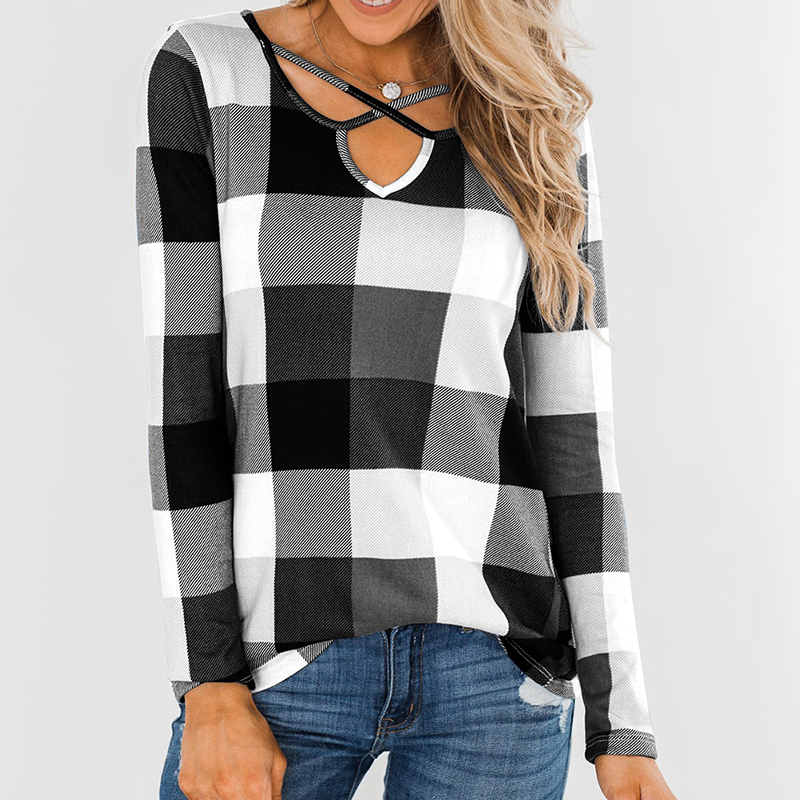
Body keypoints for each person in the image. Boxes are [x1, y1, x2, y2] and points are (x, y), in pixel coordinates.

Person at [135, 2, 678, 798]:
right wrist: (208, 680)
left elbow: (572, 432)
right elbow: (181, 402)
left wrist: (620, 721)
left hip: (496, 670)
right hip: (276, 666)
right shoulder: (209, 73)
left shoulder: (536, 108)